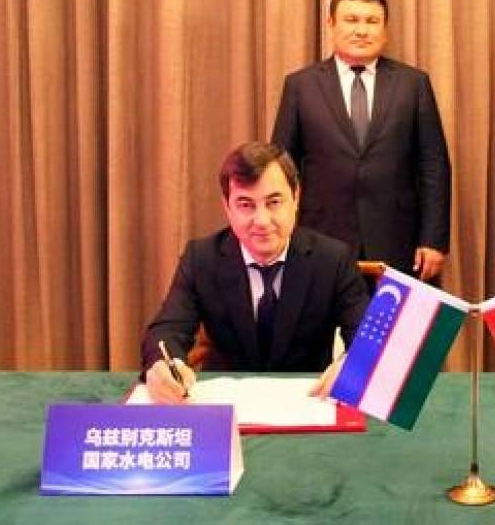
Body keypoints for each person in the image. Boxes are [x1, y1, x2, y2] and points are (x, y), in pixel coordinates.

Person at [141, 141, 369, 403]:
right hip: (227, 408)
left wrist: (354, 364)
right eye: (246, 205)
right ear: (227, 207)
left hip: (308, 405)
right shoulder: (201, 259)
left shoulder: (332, 259)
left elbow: (367, 339)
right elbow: (166, 330)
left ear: (296, 198)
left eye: (274, 202)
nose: (262, 221)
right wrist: (161, 365)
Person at [271, 0, 450, 281]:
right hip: (319, 238)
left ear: (385, 29)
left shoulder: (413, 84)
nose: (361, 30)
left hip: (398, 240)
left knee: (392, 315)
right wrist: (281, 234)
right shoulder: (300, 86)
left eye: (372, 21)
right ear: (331, 24)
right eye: (351, 20)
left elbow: (434, 166)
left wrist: (434, 239)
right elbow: (281, 169)